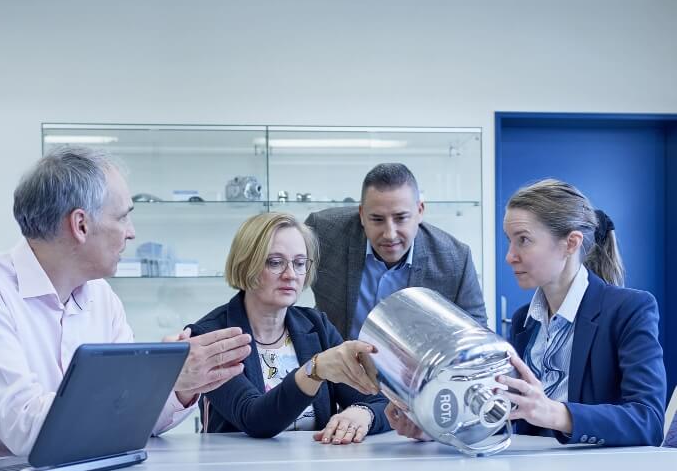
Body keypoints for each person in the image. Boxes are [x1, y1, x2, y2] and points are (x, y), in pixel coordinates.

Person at [0, 148, 252, 467]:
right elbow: (25, 428)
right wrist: (147, 384)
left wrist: (176, 385)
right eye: (123, 216)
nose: (132, 232)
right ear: (81, 225)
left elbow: (137, 424)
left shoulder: (101, 297)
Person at [388, 178, 666, 448]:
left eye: (523, 240)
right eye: (510, 241)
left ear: (570, 243)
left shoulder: (629, 309)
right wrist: (439, 429)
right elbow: (512, 416)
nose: (510, 255)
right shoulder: (525, 320)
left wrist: (555, 413)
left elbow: (649, 422)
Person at [186, 212, 390, 443]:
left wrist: (363, 413)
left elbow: (380, 401)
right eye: (275, 262)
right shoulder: (210, 336)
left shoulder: (317, 326)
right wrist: (314, 370)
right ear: (246, 264)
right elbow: (255, 419)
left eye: (300, 263)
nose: (291, 275)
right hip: (240, 470)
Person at [305, 162, 486, 341]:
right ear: (361, 214)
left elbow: (476, 336)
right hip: (335, 364)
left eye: (401, 218)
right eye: (377, 219)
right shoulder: (322, 232)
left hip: (414, 368)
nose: (389, 235)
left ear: (420, 211)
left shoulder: (455, 259)